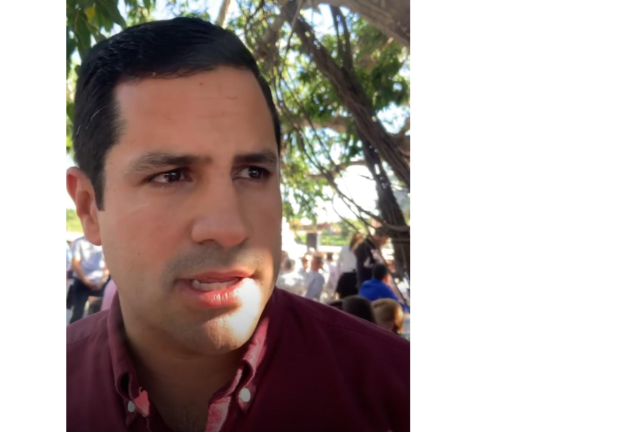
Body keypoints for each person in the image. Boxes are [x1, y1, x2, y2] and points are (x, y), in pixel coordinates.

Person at [66, 17, 409, 432]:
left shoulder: (399, 394)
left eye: (252, 172)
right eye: (171, 176)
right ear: (89, 207)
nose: (229, 228)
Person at [68, 235, 108, 324]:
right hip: (82, 282)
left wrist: (101, 281)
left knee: (97, 314)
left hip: (99, 283)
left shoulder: (106, 242)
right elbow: (75, 264)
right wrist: (86, 281)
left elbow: (108, 265)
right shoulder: (79, 242)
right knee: (78, 313)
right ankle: (74, 332)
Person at [335, 232, 362, 299]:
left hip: (346, 277)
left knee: (343, 299)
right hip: (354, 277)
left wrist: (340, 275)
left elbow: (338, 263)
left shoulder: (345, 248)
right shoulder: (361, 249)